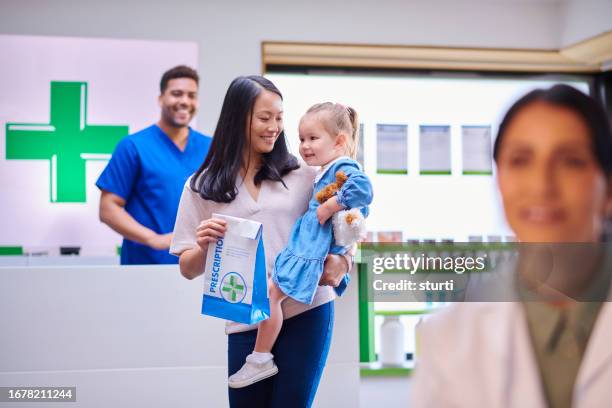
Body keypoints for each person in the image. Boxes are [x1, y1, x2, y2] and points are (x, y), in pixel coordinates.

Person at [411, 84, 612, 408]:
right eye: (521, 160)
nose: (542, 185)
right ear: (499, 180)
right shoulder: (448, 338)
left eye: (571, 161)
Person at [170, 76, 353, 407]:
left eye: (280, 118)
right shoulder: (200, 186)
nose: (274, 127)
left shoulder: (305, 173)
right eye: (265, 118)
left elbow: (347, 226)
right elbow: (186, 268)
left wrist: (343, 261)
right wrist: (203, 246)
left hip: (306, 310)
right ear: (238, 118)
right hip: (245, 318)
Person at [228, 102, 372, 388]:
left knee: (271, 294)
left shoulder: (342, 166)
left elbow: (363, 190)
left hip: (309, 251)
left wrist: (328, 207)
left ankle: (259, 357)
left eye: (313, 138)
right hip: (304, 248)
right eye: (302, 138)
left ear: (340, 141)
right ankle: (260, 356)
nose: (304, 146)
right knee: (271, 294)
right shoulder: (322, 170)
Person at [96, 65, 211, 264]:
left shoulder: (211, 148)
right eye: (177, 94)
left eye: (191, 95)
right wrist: (153, 239)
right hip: (146, 265)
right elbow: (108, 208)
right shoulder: (133, 146)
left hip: (198, 266)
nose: (184, 101)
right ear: (161, 98)